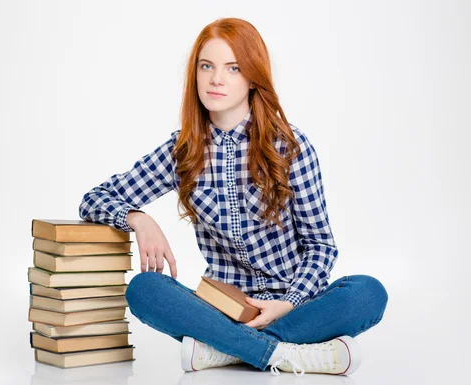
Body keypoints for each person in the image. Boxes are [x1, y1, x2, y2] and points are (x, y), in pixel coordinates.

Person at [79, 17, 388, 377]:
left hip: (296, 307)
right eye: (206, 66)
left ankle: (225, 350)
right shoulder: (183, 151)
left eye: (233, 68)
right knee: (144, 289)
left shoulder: (289, 147)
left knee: (368, 293)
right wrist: (139, 219)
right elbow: (95, 198)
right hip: (221, 309)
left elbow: (321, 246)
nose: (216, 79)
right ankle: (285, 354)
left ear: (252, 77)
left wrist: (286, 304)